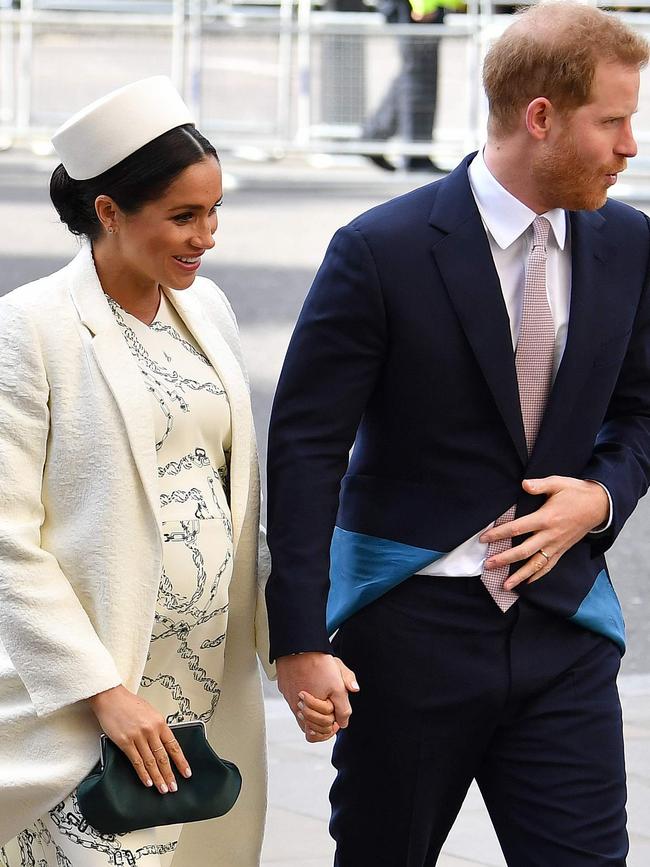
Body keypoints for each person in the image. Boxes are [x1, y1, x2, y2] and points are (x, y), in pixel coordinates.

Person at [266, 3, 650, 864]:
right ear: (541, 117)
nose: (632, 144)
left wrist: (599, 496)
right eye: (614, 121)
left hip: (564, 633)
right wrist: (297, 639)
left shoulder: (631, 243)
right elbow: (304, 452)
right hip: (405, 642)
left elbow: (642, 411)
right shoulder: (380, 249)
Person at [0, 76, 273, 867]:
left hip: (204, 681)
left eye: (214, 210)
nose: (207, 235)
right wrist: (102, 693)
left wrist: (286, 642)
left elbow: (236, 495)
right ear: (108, 211)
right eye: (183, 215)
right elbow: (8, 538)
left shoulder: (208, 308)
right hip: (96, 698)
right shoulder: (32, 328)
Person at [361, 0, 461, 173]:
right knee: (419, 76)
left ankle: (374, 137)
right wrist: (423, 5)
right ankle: (415, 155)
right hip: (414, 6)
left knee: (415, 72)